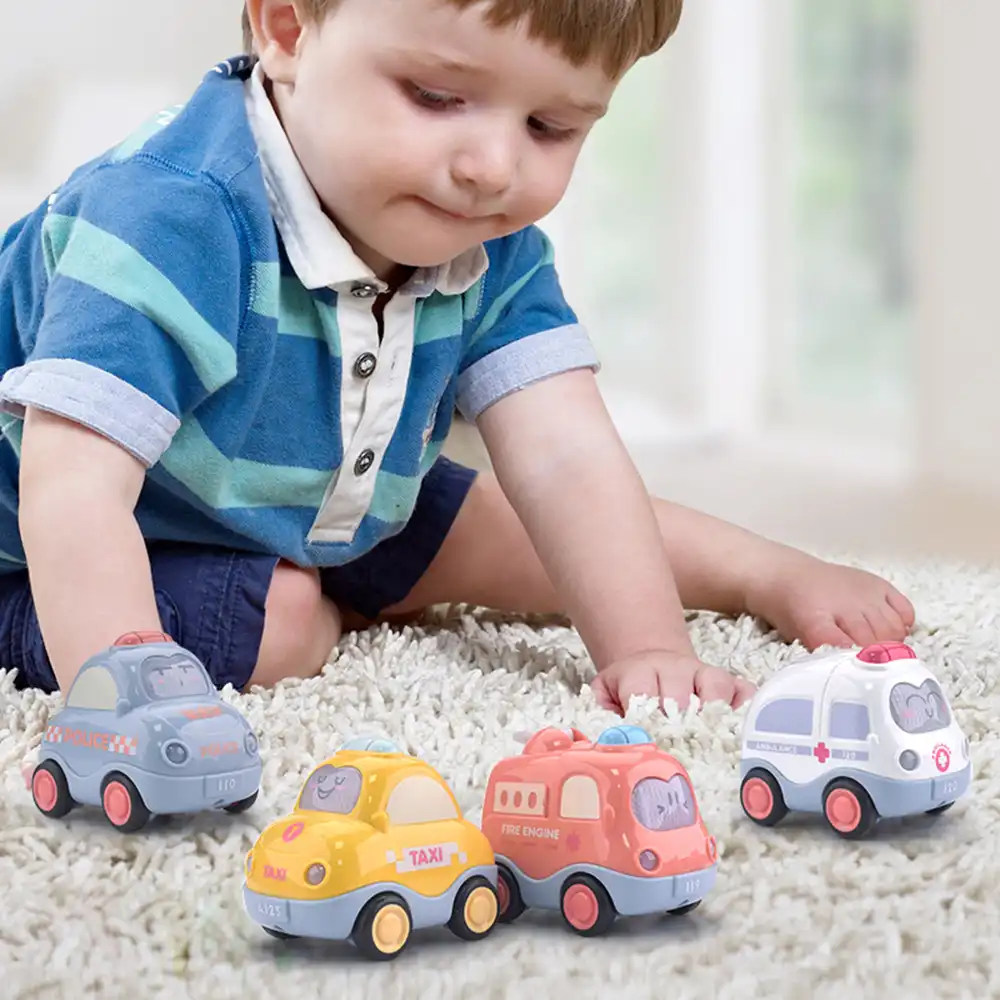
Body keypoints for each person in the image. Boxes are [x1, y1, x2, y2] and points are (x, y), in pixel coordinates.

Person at [0, 0, 914, 717]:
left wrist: (650, 651)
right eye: (437, 98)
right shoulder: (171, 216)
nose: (491, 167)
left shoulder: (489, 242)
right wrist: (119, 708)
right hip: (41, 536)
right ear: (287, 28)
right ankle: (318, 597)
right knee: (277, 621)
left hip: (282, 492)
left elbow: (566, 459)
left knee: (497, 520)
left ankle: (762, 571)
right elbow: (71, 486)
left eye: (550, 127)